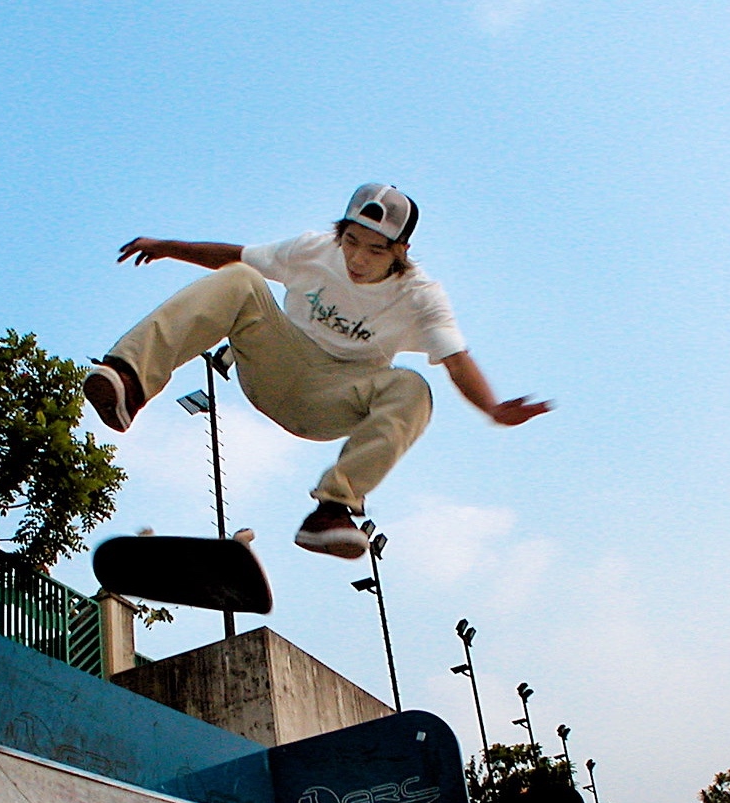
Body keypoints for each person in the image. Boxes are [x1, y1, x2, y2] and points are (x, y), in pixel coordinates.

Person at [82, 184, 550, 559]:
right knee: (242, 278)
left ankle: (333, 511)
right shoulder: (311, 249)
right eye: (351, 242)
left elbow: (456, 358)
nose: (358, 260)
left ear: (400, 250)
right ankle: (129, 380)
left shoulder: (421, 295)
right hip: (273, 365)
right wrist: (167, 246)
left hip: (334, 397)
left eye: (375, 250)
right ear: (339, 232)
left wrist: (491, 407)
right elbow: (234, 254)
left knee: (413, 388)